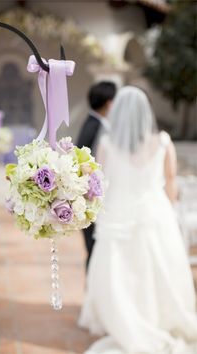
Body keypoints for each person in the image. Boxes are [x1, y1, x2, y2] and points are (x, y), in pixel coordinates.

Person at [79, 86, 197, 354]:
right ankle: (155, 316)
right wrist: (171, 209)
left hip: (118, 211)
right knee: (158, 267)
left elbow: (99, 183)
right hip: (155, 212)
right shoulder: (164, 141)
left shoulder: (108, 143)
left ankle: (121, 316)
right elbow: (170, 182)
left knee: (119, 268)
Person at [77, 81, 117, 270]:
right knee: (95, 250)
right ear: (110, 103)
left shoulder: (91, 123)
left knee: (95, 250)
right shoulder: (98, 128)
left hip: (91, 197)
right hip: (92, 199)